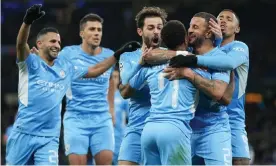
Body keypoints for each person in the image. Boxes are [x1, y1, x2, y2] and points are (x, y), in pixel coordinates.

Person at [6, 4, 139, 165]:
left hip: (49, 138)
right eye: (53, 41)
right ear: (39, 44)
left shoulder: (66, 68)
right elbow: (20, 44)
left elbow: (96, 69)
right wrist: (27, 22)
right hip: (23, 133)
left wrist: (117, 55)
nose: (57, 45)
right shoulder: (30, 64)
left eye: (59, 42)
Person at [127, 20, 205, 165]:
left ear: (163, 40)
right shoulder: (194, 64)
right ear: (186, 39)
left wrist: (140, 63)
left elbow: (129, 86)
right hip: (175, 129)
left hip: (149, 130)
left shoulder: (150, 65)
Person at [61, 13, 114, 165]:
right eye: (92, 29)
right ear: (81, 33)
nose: (97, 33)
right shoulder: (68, 53)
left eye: (99, 29)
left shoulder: (109, 55)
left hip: (102, 119)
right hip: (75, 119)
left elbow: (111, 80)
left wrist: (111, 107)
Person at [118, 6, 167, 165]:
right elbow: (125, 92)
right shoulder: (128, 57)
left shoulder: (170, 56)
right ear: (140, 31)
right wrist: (142, 65)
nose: (156, 32)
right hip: (136, 128)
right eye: (151, 27)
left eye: (159, 28)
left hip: (163, 129)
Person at [112, 69, 129, 165]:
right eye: (112, 77)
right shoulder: (101, 96)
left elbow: (130, 118)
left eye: (116, 77)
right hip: (104, 137)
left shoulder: (123, 97)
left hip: (120, 138)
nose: (114, 79)